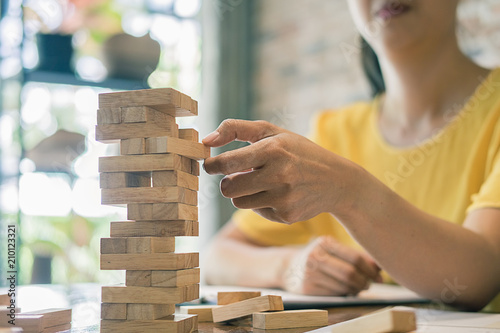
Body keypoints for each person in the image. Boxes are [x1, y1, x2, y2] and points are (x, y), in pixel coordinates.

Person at [202, 0, 500, 312]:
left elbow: (479, 277)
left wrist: (350, 192)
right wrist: (290, 266)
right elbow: (217, 256)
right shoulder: (334, 133)